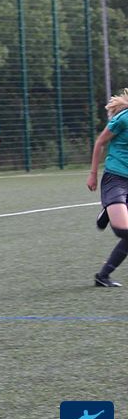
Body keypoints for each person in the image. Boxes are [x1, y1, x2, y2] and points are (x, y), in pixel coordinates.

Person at [87, 89, 128, 287]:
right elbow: (100, 142)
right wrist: (93, 174)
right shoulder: (123, 118)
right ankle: (108, 210)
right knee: (123, 231)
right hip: (116, 178)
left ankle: (103, 277)